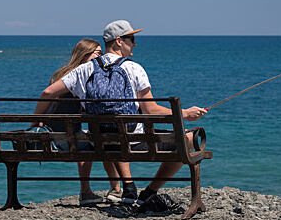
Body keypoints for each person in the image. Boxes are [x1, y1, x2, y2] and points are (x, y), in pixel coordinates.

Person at [34, 20, 207, 203]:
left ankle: (127, 187)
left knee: (110, 132)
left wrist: (35, 121)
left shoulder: (83, 70)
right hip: (133, 142)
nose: (134, 43)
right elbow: (151, 110)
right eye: (131, 39)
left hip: (101, 141)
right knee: (188, 139)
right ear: (118, 41)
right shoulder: (133, 68)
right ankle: (149, 192)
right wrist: (185, 114)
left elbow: (48, 92)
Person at [36, 38, 121, 206]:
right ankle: (115, 189)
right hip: (65, 139)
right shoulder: (81, 76)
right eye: (98, 53)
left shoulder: (59, 75)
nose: (102, 57)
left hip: (53, 136)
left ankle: (88, 191)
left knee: (88, 138)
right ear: (85, 54)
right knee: (104, 143)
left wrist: (36, 120)